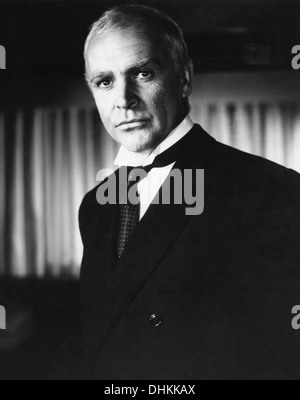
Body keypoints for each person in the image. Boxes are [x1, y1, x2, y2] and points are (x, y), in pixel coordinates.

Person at [79, 4, 300, 380]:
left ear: (184, 79)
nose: (124, 99)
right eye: (105, 81)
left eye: (143, 73)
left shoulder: (270, 190)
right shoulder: (95, 203)